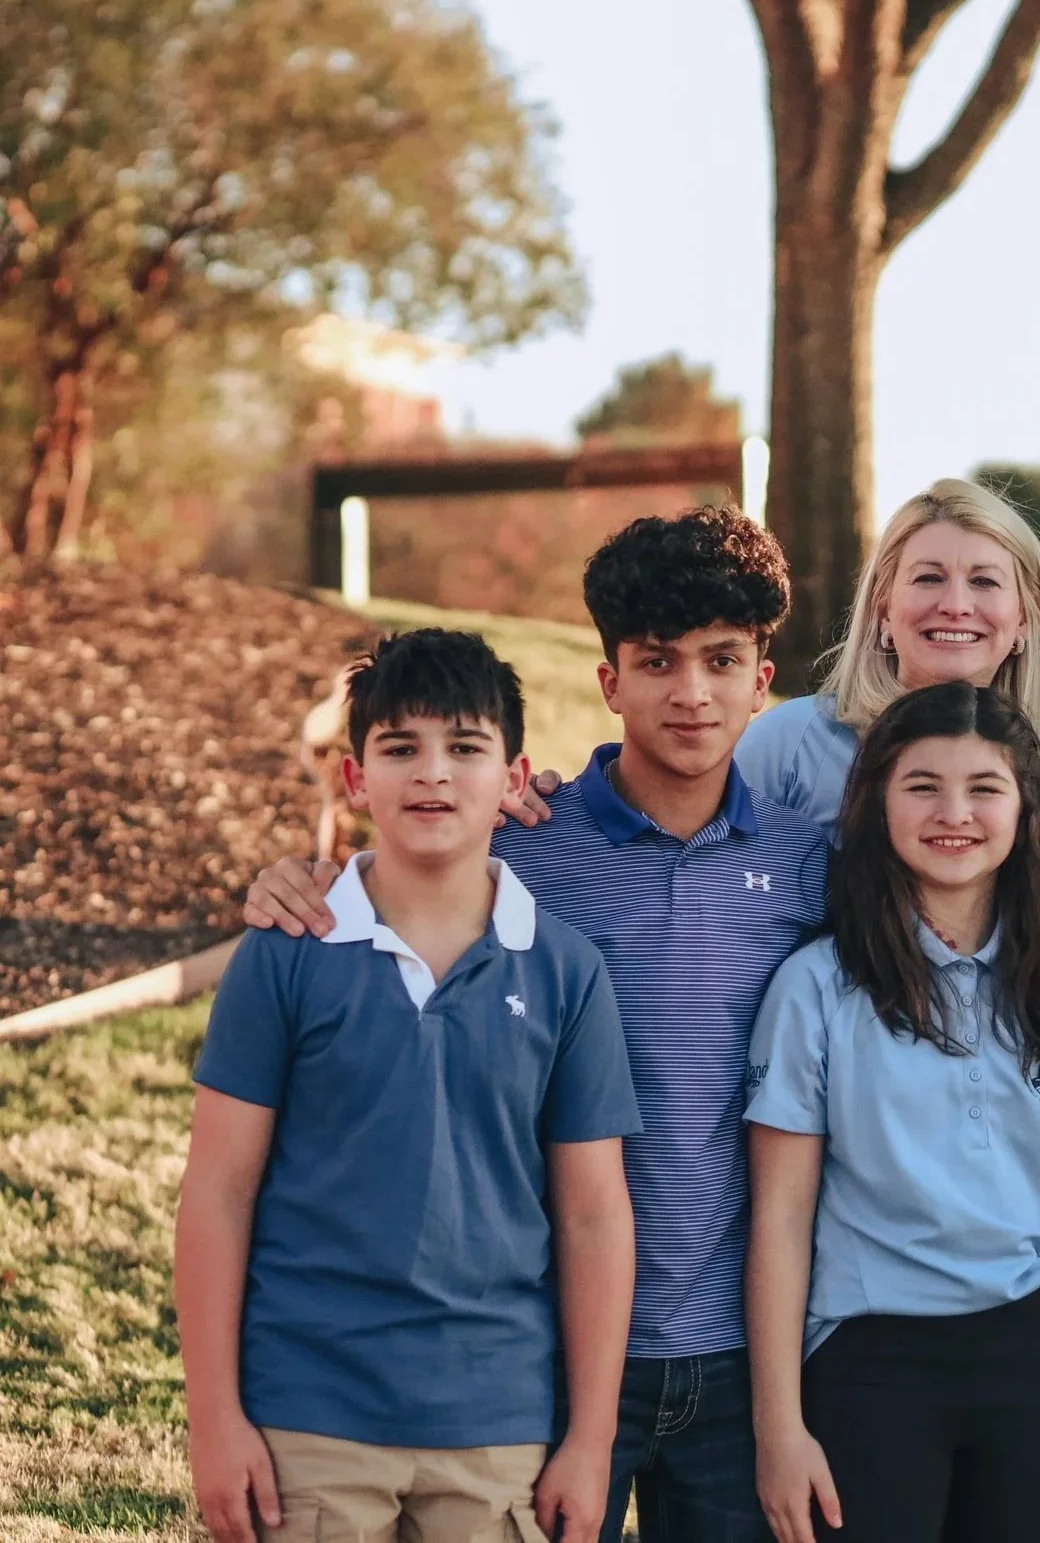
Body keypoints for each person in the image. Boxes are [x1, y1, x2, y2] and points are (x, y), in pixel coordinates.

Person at [239, 508, 828, 1542]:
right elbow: (399, 885)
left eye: (721, 661)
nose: (691, 692)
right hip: (551, 1350)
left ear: (761, 678)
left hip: (742, 1352)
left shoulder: (807, 864)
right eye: (657, 661)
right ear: (609, 681)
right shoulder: (529, 850)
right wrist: (295, 879)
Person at [176, 629, 641, 1543]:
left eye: (465, 747)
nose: (434, 773)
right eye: (400, 747)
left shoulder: (565, 970)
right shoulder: (285, 955)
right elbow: (217, 1193)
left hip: (498, 1426)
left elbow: (593, 1215)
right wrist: (214, 1418)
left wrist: (590, 1438)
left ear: (514, 779)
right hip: (306, 1420)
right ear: (355, 779)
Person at [743, 683, 1040, 1543]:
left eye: (984, 787)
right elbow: (780, 1213)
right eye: (922, 785)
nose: (954, 812)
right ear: (877, 800)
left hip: (1032, 1353)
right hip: (871, 1360)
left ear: (1025, 805)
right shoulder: (817, 987)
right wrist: (779, 1425)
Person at [736, 477, 1040, 838]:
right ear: (884, 609)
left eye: (984, 582)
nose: (955, 606)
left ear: (1024, 616)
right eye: (928, 578)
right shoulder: (789, 745)